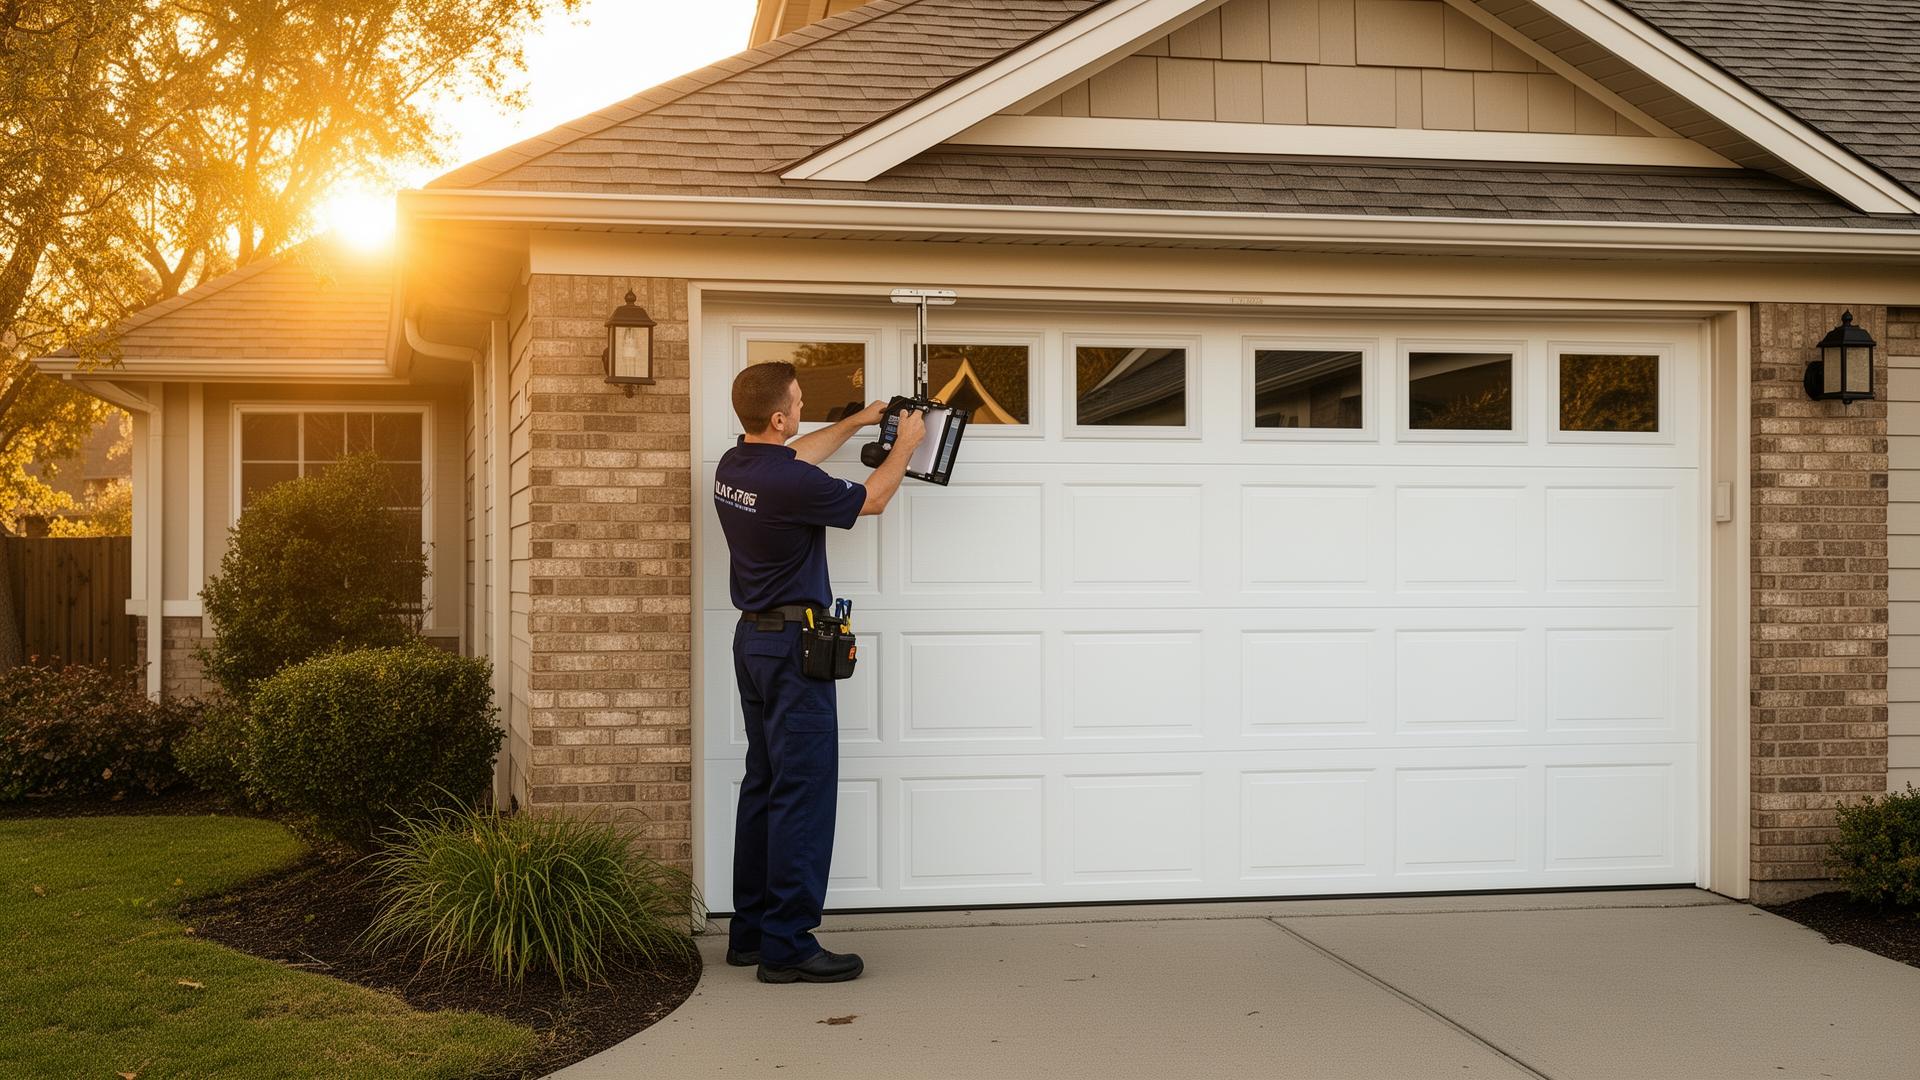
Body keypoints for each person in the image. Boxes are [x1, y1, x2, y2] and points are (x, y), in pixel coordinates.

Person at [712, 361, 925, 984]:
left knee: (764, 786)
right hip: (792, 652)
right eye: (798, 404)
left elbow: (799, 454)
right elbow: (875, 499)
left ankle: (750, 933)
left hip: (754, 641)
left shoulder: (737, 466)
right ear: (778, 417)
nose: (803, 412)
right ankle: (788, 946)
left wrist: (858, 420)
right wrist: (906, 444)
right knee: (803, 793)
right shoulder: (785, 483)